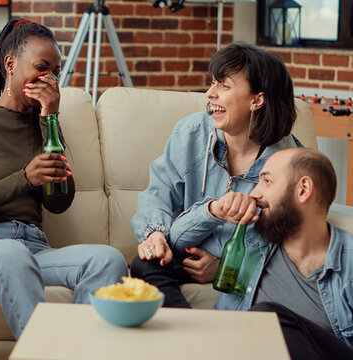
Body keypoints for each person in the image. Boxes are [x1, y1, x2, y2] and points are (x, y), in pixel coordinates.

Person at [0, 18, 127, 338]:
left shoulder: (45, 125)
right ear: (10, 64)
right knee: (10, 254)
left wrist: (49, 118)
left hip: (35, 248)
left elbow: (58, 202)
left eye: (55, 71)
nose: (50, 79)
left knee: (107, 259)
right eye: (42, 67)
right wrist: (24, 179)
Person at [130, 42, 301, 308]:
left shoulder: (287, 162)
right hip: (184, 250)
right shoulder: (191, 132)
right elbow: (159, 192)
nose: (210, 93)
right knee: (146, 262)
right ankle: (189, 329)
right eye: (212, 83)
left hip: (240, 267)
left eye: (224, 85)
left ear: (257, 100)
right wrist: (155, 235)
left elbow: (287, 247)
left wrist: (225, 268)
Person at [237, 148, 353, 360]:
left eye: (267, 181)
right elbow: (174, 243)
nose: (254, 193)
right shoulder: (250, 242)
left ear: (303, 189)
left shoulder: (350, 263)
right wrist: (212, 210)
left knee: (270, 317)